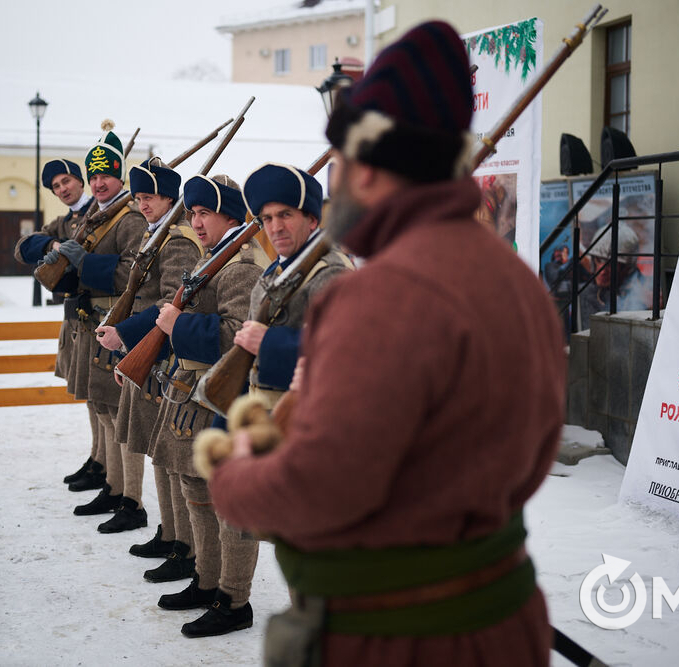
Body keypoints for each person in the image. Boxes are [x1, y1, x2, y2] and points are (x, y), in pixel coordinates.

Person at [206, 20, 566, 666]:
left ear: (372, 165)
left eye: (340, 163)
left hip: (399, 642)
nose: (333, 182)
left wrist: (235, 475)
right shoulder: (518, 283)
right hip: (504, 623)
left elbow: (320, 486)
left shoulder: (378, 296)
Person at [148, 174, 270, 638]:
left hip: (222, 400)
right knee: (196, 495)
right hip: (193, 395)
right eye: (193, 213)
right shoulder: (211, 259)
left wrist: (178, 325)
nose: (195, 222)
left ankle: (233, 599)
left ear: (231, 215)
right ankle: (206, 581)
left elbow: (236, 338)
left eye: (205, 213)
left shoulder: (239, 266)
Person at [40, 130, 149, 527]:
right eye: (95, 176)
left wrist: (83, 263)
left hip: (116, 324)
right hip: (92, 323)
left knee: (119, 415)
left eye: (107, 175)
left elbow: (134, 272)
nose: (99, 183)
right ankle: (113, 486)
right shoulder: (95, 215)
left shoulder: (130, 217)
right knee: (102, 408)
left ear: (120, 176)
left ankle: (130, 500)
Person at [94, 157, 204, 541]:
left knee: (170, 457)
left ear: (170, 198)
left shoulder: (177, 241)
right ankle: (171, 533)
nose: (142, 204)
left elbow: (170, 306)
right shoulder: (154, 234)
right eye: (139, 196)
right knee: (159, 453)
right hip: (148, 349)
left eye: (151, 197)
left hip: (162, 353)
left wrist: (124, 333)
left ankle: (182, 542)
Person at [13, 159, 101, 490]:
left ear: (81, 181)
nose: (63, 189)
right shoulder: (63, 223)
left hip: (99, 315)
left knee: (101, 398)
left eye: (67, 181)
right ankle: (98, 459)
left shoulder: (104, 211)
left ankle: (107, 468)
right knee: (90, 396)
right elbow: (23, 247)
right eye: (56, 187)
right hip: (77, 317)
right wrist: (51, 245)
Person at [234, 162, 353, 406]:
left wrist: (268, 343)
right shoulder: (273, 272)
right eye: (267, 218)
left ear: (311, 219)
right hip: (261, 418)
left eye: (285, 215)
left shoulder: (332, 272)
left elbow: (344, 351)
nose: (275, 228)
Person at [579, 222, 650, 321]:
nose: (602, 271)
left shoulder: (646, 293)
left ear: (627, 268)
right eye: (598, 260)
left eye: (611, 264)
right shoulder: (584, 293)